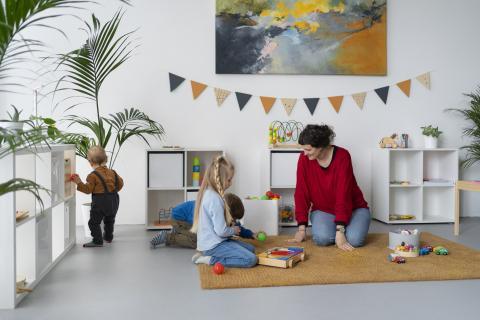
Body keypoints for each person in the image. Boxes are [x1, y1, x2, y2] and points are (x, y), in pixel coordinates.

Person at [291, 124, 371, 251]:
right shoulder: (304, 159)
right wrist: (301, 228)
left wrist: (340, 230)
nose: (304, 154)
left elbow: (343, 194)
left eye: (308, 150)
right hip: (323, 210)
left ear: (321, 147)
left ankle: (343, 225)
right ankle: (340, 226)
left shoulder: (343, 156)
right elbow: (301, 192)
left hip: (354, 209)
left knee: (354, 240)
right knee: (322, 239)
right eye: (303, 149)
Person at [190, 156, 257, 268]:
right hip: (214, 246)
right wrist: (233, 230)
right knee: (251, 259)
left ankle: (218, 255)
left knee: (251, 249)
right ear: (219, 179)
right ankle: (210, 259)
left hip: (217, 241)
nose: (231, 183)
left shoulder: (210, 193)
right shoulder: (215, 199)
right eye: (229, 179)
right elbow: (221, 231)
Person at [149, 193, 254, 248]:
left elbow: (236, 227)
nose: (234, 221)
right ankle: (168, 237)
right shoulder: (207, 213)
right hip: (179, 220)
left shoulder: (221, 210)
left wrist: (250, 234)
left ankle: (180, 232)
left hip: (186, 219)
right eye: (233, 218)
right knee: (198, 241)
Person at [72, 146, 124, 247]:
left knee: (93, 222)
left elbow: (88, 190)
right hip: (114, 200)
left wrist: (78, 182)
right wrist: (112, 191)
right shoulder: (113, 172)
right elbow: (120, 184)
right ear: (106, 158)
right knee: (109, 220)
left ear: (90, 162)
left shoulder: (93, 176)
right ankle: (108, 237)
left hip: (100, 202)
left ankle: (97, 240)